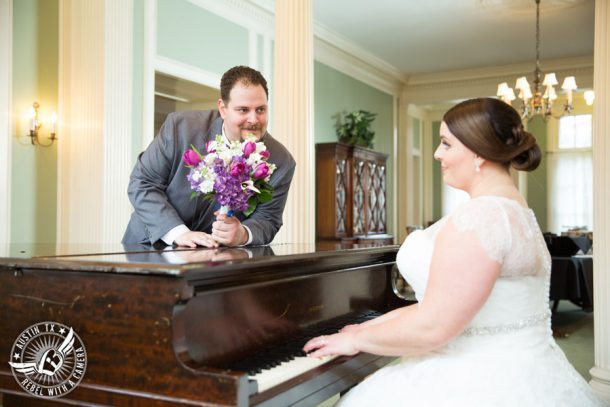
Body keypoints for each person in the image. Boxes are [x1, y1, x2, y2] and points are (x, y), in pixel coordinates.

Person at [304, 98, 606, 406]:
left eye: (446, 144)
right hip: (534, 373)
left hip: (478, 379)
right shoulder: (518, 212)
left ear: (478, 151)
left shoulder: (481, 217)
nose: (437, 154)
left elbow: (435, 326)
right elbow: (449, 306)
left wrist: (356, 339)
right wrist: (367, 328)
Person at [122, 66, 296, 248]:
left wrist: (243, 234)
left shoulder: (281, 161)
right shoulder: (180, 128)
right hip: (147, 247)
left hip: (214, 261)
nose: (254, 119)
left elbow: (268, 218)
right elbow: (142, 183)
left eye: (260, 110)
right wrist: (179, 233)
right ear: (223, 108)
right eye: (243, 110)